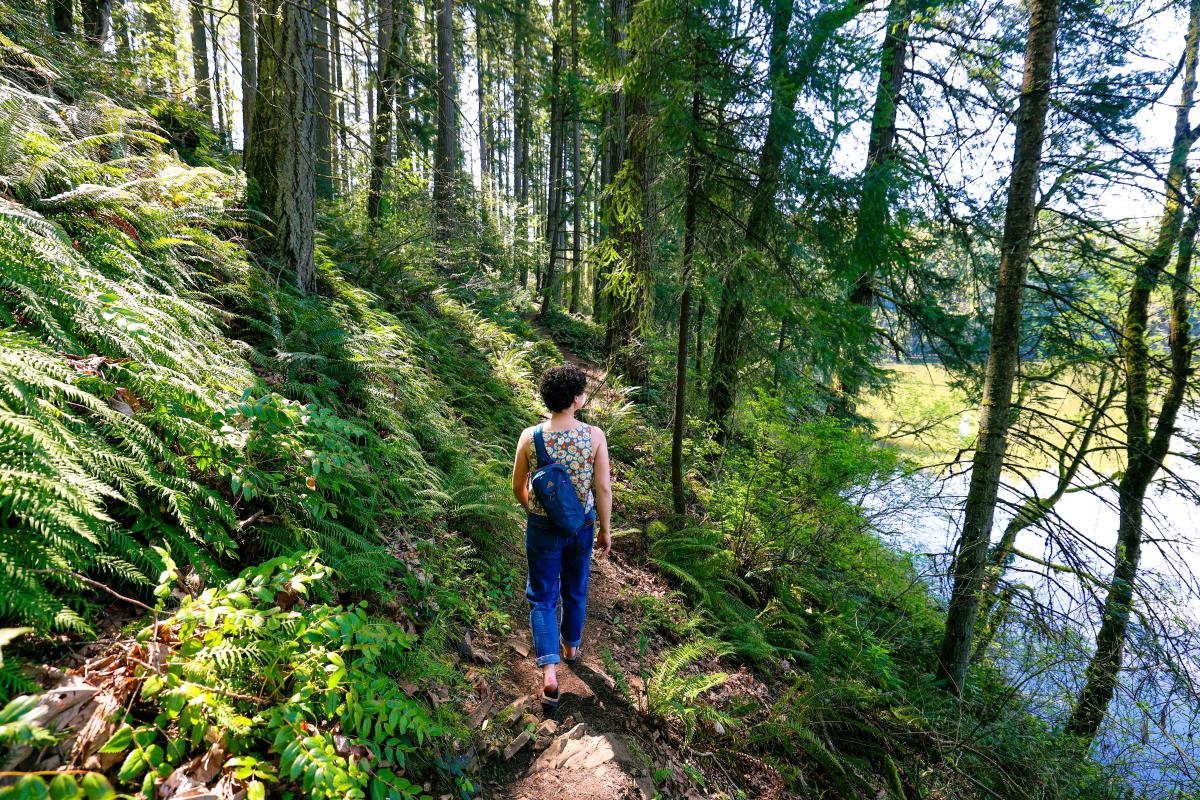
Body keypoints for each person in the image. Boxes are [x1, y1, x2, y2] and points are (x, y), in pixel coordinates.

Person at [511, 364, 612, 705]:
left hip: (542, 528)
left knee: (541, 595)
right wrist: (605, 531)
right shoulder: (594, 436)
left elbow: (517, 487)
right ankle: (571, 647)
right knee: (575, 587)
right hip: (581, 526)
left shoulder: (530, 436)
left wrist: (536, 512)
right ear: (575, 399)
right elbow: (602, 489)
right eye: (582, 391)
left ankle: (550, 672)